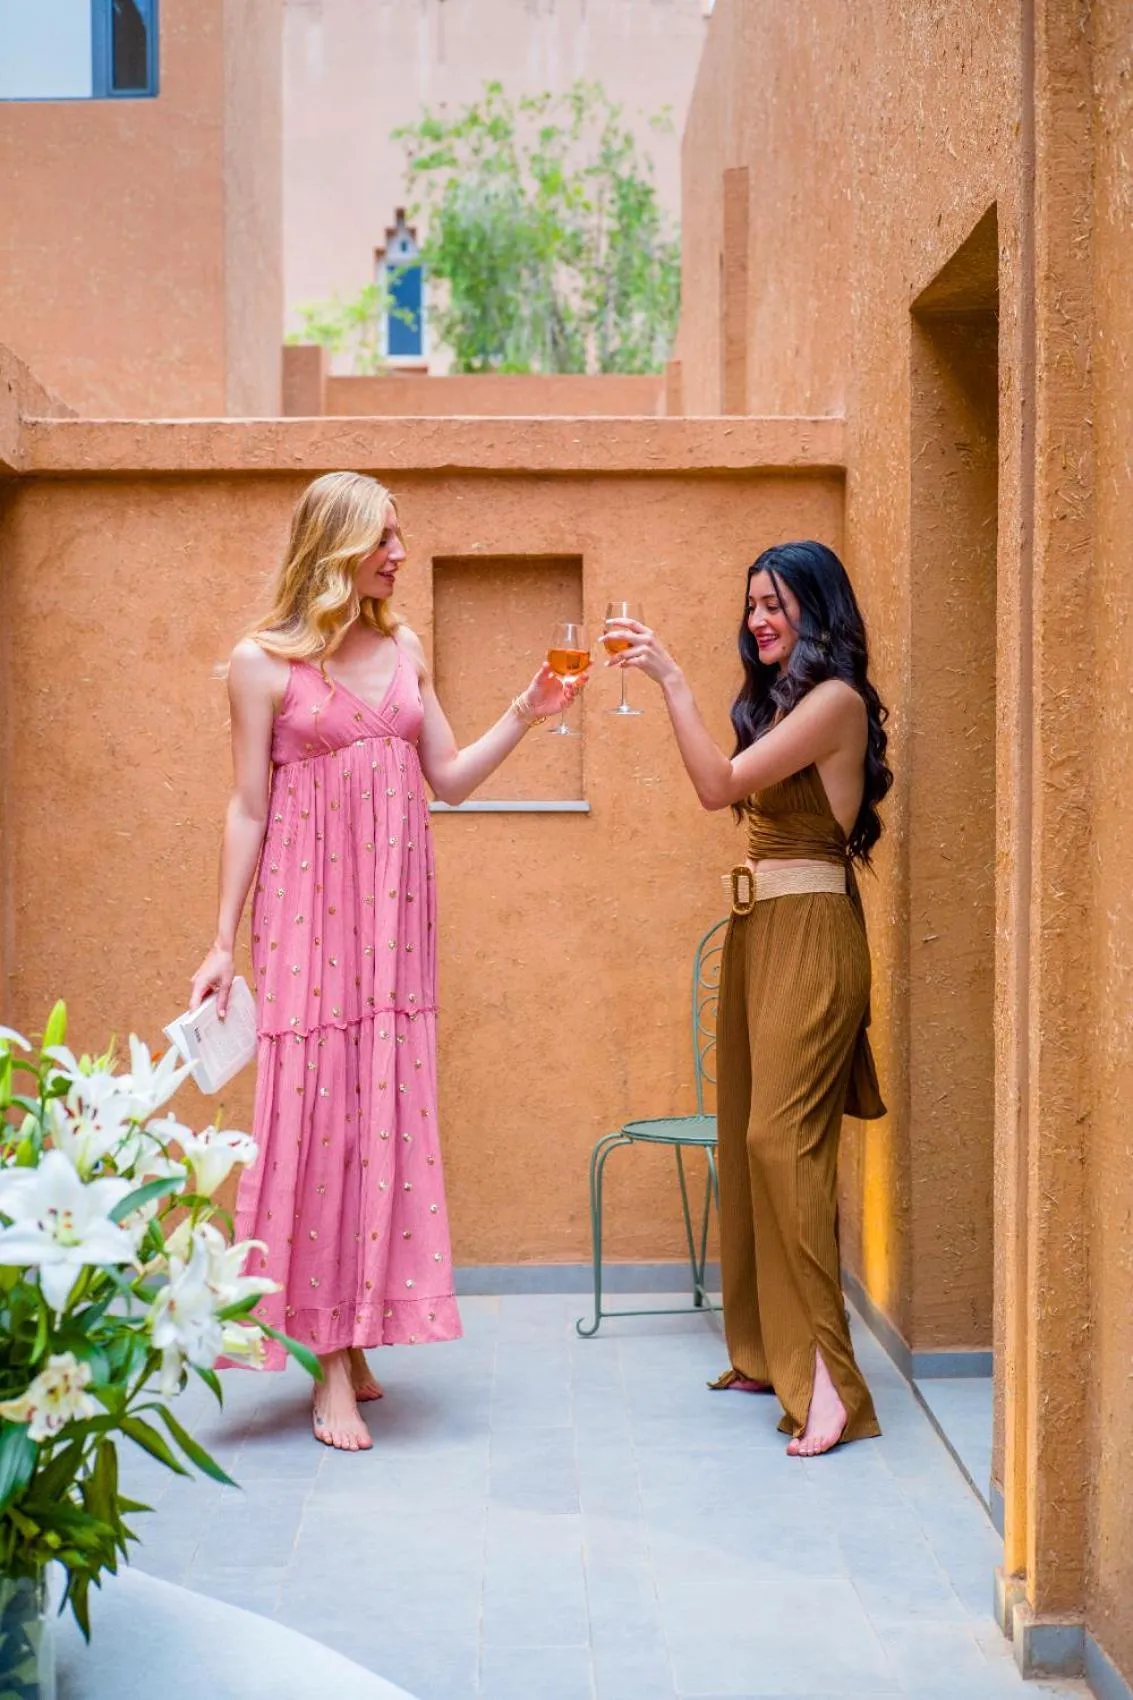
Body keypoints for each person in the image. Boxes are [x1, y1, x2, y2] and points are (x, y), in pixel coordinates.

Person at [190, 471, 580, 1452]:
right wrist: (221, 942)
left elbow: (447, 777)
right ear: (335, 546)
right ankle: (326, 1358)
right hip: (307, 920)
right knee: (318, 1117)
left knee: (377, 1115)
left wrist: (527, 710)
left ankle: (357, 1331)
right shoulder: (261, 664)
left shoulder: (404, 647)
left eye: (399, 536)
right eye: (384, 538)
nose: (400, 554)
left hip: (394, 927)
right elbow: (246, 806)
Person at [607, 540, 892, 1456]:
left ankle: (831, 1382)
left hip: (811, 938)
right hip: (758, 932)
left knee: (781, 1143)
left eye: (775, 603)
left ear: (818, 608)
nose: (758, 619)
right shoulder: (784, 704)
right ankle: (769, 1350)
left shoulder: (835, 701)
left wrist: (670, 680)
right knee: (745, 1134)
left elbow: (715, 787)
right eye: (751, 605)